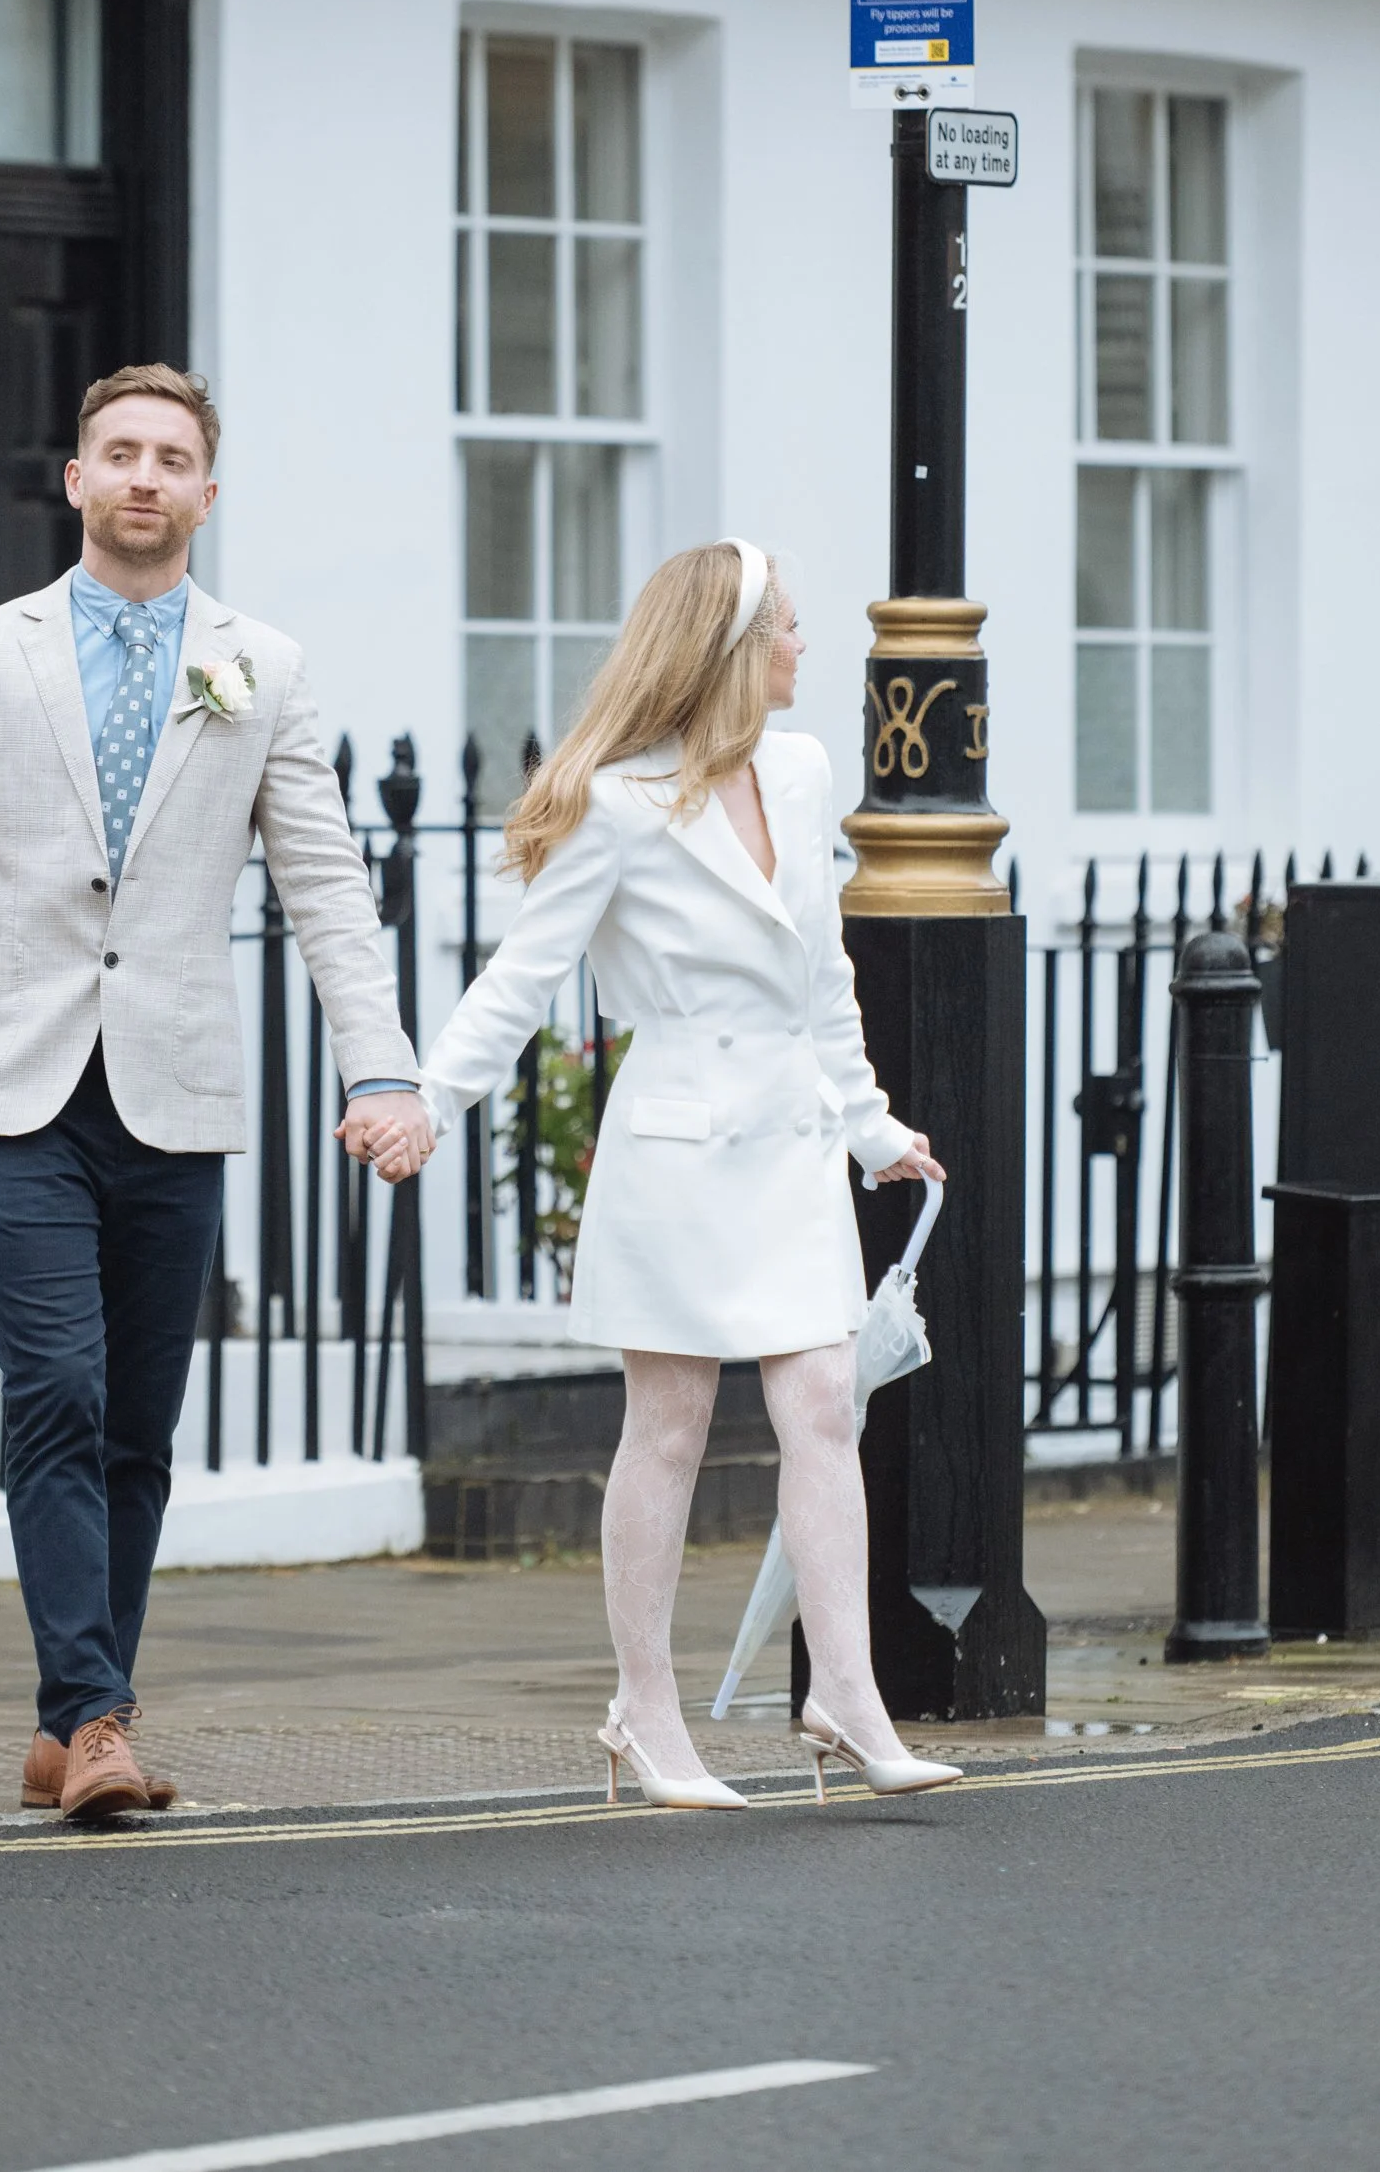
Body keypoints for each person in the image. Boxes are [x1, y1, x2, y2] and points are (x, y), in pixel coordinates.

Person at [0, 364, 434, 1820]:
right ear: (74, 478)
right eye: (120, 452)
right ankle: (101, 1718)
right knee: (58, 1385)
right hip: (11, 1087)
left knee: (141, 1421)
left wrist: (383, 1065)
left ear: (207, 493)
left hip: (177, 1090)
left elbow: (328, 883)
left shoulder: (261, 667)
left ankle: (65, 1720)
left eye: (173, 457)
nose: (145, 475)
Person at [397, 539, 961, 1808]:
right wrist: (431, 1100)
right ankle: (645, 1712)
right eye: (789, 629)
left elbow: (823, 977)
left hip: (793, 1145)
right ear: (729, 647)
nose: (805, 648)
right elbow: (523, 976)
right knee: (671, 1425)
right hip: (677, 1150)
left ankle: (846, 1694)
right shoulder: (613, 799)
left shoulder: (804, 769)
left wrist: (871, 1125)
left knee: (823, 1404)